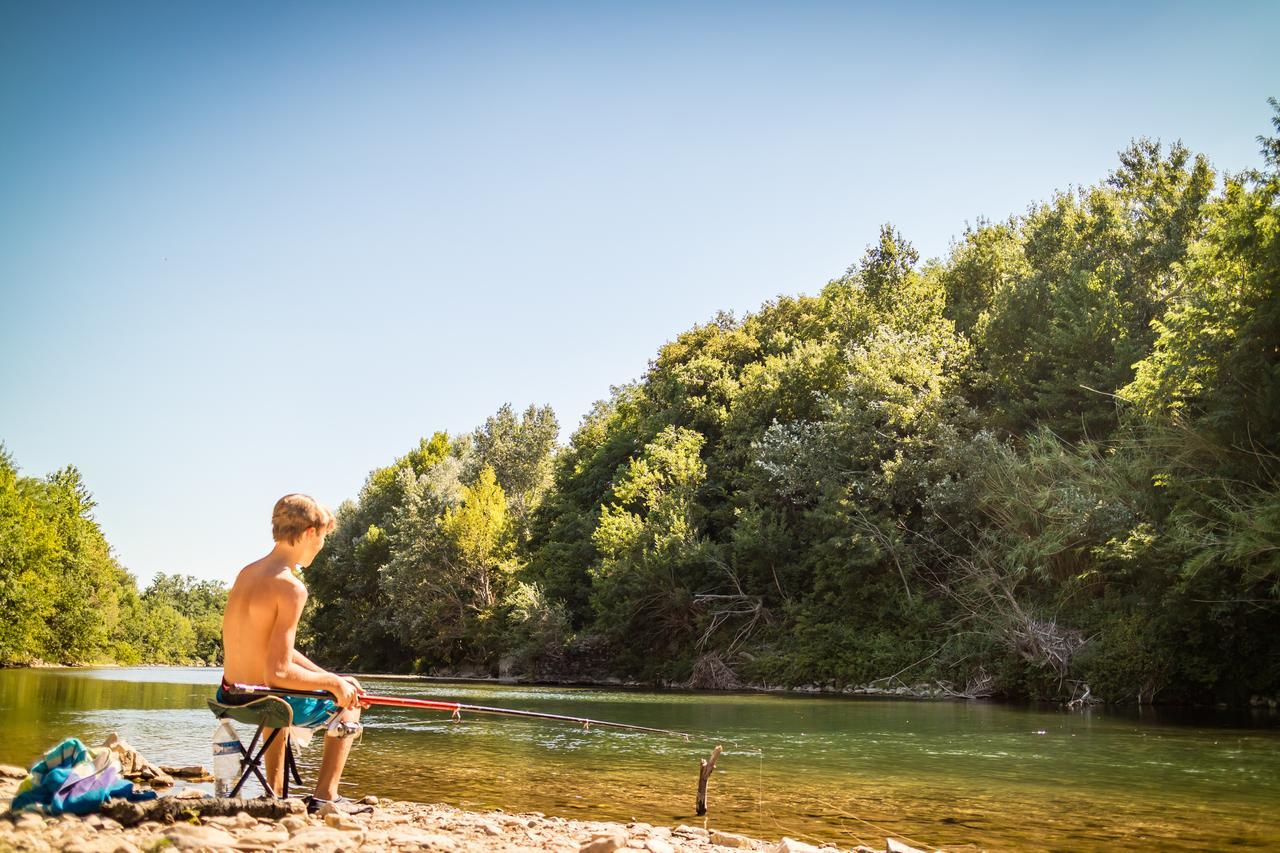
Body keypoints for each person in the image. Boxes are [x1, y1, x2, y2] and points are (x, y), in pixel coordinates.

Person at [219, 493, 365, 812]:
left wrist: (330, 677)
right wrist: (337, 686)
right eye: (323, 537)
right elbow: (279, 673)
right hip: (265, 700)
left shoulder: (248, 573)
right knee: (350, 700)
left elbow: (273, 652)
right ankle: (326, 797)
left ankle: (275, 792)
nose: (321, 545)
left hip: (230, 695)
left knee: (307, 691)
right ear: (311, 532)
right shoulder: (291, 588)